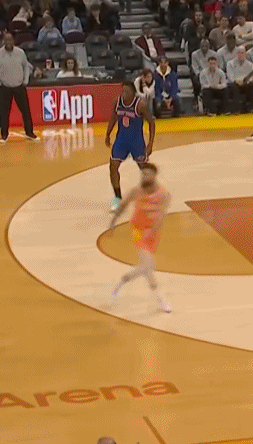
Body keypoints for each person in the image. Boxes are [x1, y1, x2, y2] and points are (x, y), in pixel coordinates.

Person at [108, 163, 171, 313]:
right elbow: (123, 205)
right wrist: (113, 221)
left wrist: (153, 231)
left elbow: (161, 215)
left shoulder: (163, 194)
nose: (144, 177)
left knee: (145, 268)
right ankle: (161, 299)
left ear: (154, 176)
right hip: (137, 230)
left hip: (153, 233)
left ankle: (121, 282)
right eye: (143, 174)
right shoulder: (136, 191)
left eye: (147, 174)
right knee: (148, 266)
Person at [105, 82, 155, 211]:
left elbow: (151, 122)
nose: (123, 94)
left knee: (145, 170)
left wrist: (150, 144)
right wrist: (107, 134)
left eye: (127, 91)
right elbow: (113, 119)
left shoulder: (140, 104)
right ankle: (117, 197)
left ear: (133, 93)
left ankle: (150, 197)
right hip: (121, 140)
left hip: (136, 142)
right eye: (122, 91)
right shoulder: (117, 102)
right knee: (113, 166)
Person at [0, 33, 37, 144]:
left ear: (13, 41)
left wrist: (25, 80)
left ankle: (29, 133)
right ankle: (4, 135)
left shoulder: (20, 52)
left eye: (10, 40)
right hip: (4, 87)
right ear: (3, 41)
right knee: (4, 113)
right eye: (6, 40)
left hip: (19, 86)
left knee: (26, 111)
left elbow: (26, 66)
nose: (8, 42)